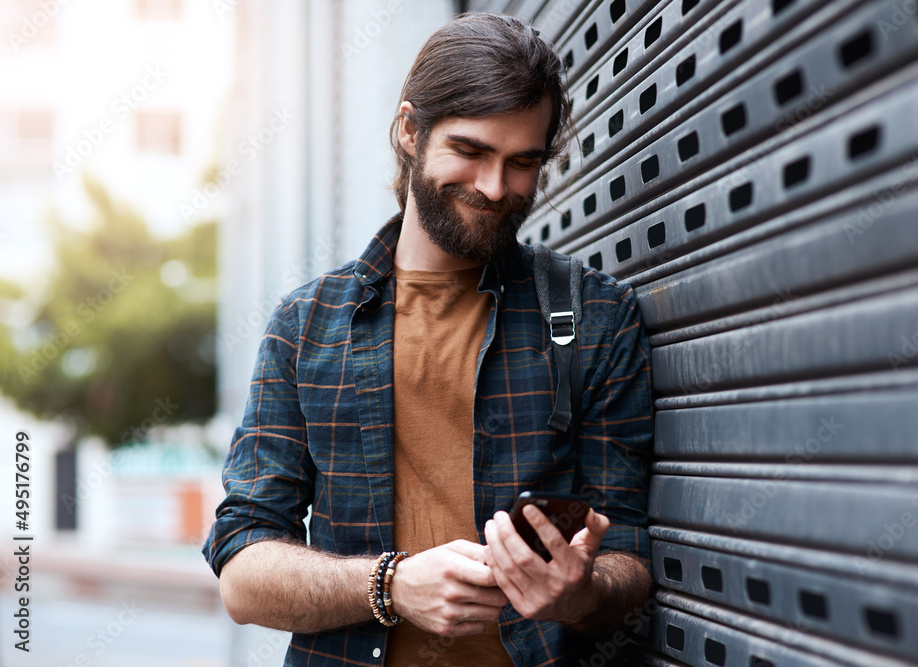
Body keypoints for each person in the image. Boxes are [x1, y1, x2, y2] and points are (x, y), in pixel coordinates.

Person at [202, 12, 653, 667]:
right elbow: (243, 572)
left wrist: (574, 594)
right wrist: (390, 585)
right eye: (470, 151)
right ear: (410, 131)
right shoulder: (306, 326)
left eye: (522, 162)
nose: (496, 187)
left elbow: (630, 562)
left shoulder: (597, 317)